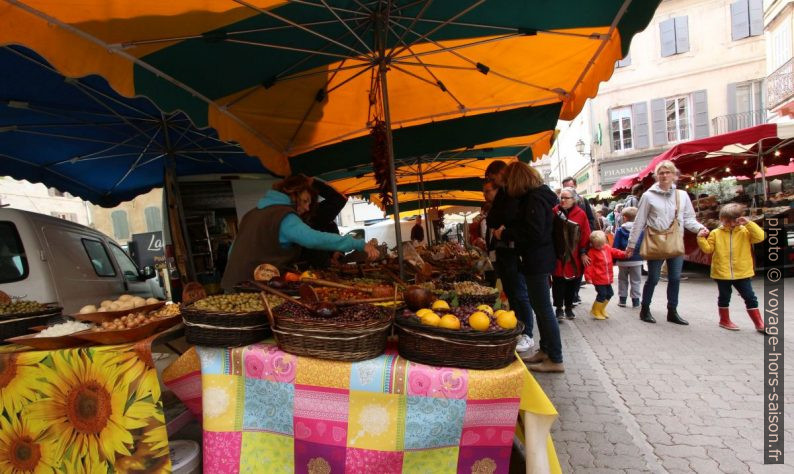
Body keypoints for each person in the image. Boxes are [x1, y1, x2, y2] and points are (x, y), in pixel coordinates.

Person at [221, 175, 379, 292]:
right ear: (293, 195)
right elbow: (313, 239)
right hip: (253, 290)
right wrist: (357, 243)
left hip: (231, 285)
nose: (307, 208)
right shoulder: (284, 215)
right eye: (304, 201)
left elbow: (232, 252)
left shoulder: (251, 214)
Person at [494, 162, 563, 372]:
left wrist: (506, 233)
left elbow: (533, 232)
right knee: (539, 307)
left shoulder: (535, 198)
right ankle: (545, 350)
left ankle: (556, 358)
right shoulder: (540, 196)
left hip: (537, 259)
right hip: (538, 258)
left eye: (508, 182)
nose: (507, 187)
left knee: (543, 309)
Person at [626, 160, 708, 325]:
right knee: (654, 278)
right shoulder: (648, 196)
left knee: (675, 278)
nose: (664, 175)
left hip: (675, 241)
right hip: (656, 241)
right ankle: (645, 309)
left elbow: (689, 219)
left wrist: (700, 228)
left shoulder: (682, 195)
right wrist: (631, 244)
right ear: (657, 176)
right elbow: (639, 222)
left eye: (667, 172)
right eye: (661, 173)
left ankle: (672, 311)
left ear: (674, 175)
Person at [486, 160, 535, 355]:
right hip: (504, 251)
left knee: (520, 293)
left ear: (500, 173)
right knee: (512, 292)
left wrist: (504, 227)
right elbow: (492, 220)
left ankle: (528, 334)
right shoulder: (505, 194)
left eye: (492, 178)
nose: (493, 182)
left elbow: (509, 218)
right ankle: (518, 329)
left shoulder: (514, 194)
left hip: (513, 251)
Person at [696, 203, 766, 333]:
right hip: (722, 272)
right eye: (726, 220)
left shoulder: (745, 231)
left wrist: (748, 223)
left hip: (742, 272)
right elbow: (708, 249)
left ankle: (759, 323)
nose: (729, 223)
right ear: (721, 219)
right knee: (724, 297)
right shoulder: (716, 233)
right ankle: (724, 320)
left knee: (750, 297)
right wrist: (700, 237)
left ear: (738, 219)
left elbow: (760, 237)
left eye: (732, 221)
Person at [551, 187, 592, 321]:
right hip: (558, 255)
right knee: (558, 283)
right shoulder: (554, 212)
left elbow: (585, 234)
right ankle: (559, 308)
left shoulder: (581, 214)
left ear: (573, 199)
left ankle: (568, 308)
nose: (562, 200)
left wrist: (583, 252)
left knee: (572, 283)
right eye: (561, 197)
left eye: (566, 198)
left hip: (574, 256)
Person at [303, 177, 349, 267]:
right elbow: (339, 200)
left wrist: (337, 251)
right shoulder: (310, 217)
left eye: (308, 201)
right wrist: (314, 183)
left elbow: (335, 237)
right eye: (304, 201)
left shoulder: (323, 220)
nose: (306, 207)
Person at [583, 230, 626, 320]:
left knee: (610, 293)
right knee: (602, 294)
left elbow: (615, 252)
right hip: (598, 278)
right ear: (593, 244)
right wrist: (588, 277)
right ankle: (595, 310)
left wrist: (624, 254)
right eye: (598, 245)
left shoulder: (607, 247)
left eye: (602, 244)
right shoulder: (592, 252)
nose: (600, 247)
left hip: (607, 278)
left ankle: (601, 309)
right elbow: (589, 266)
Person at [613, 206, 644, 308]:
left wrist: (614, 259)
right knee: (636, 280)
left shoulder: (619, 230)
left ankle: (622, 300)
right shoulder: (640, 230)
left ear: (625, 217)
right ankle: (636, 301)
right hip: (636, 260)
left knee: (622, 280)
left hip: (622, 260)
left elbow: (615, 245)